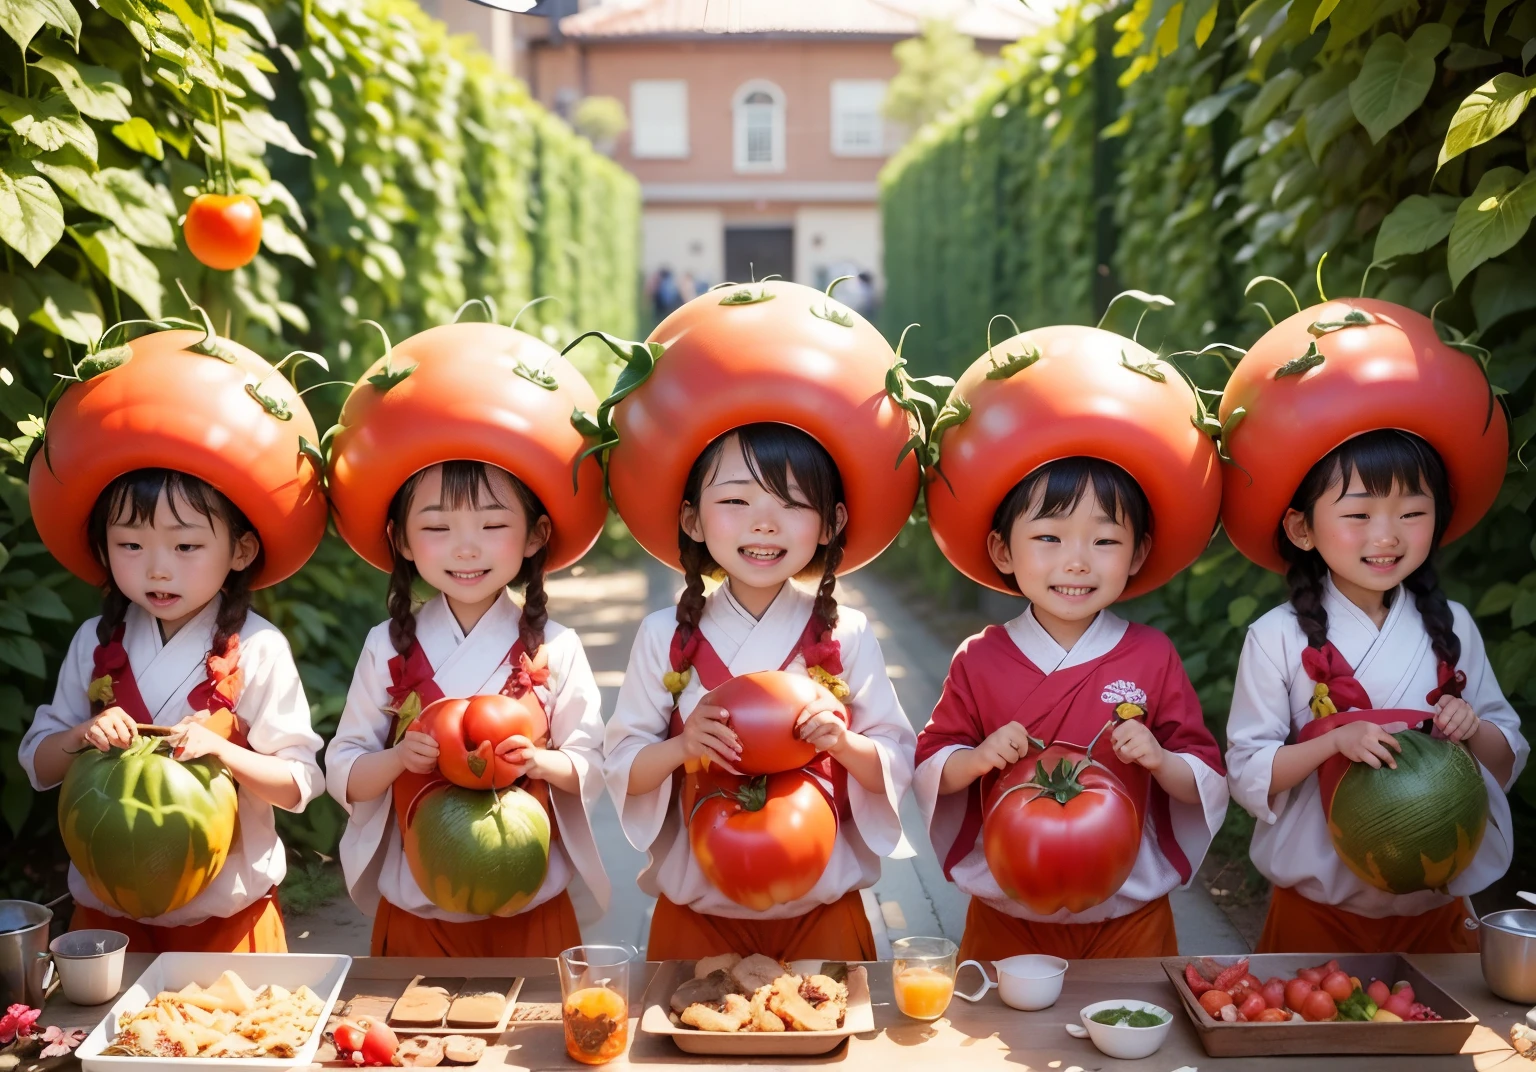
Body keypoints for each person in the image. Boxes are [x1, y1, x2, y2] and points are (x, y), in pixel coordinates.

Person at [587, 280, 921, 961]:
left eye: (794, 504)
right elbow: (621, 762)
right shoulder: (666, 637)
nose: (764, 524)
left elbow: (895, 755)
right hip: (697, 904)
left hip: (821, 901)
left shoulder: (846, 635)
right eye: (735, 500)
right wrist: (682, 748)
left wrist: (843, 741)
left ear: (832, 523)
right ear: (692, 518)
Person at [1221, 298, 1527, 953]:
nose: (1385, 536)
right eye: (1358, 514)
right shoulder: (1275, 637)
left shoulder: (1455, 627)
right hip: (1314, 913)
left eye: (1411, 513)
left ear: (1437, 518)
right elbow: (1249, 769)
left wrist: (1474, 732)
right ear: (1301, 526)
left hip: (1439, 908)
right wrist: (1334, 742)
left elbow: (1506, 757)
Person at [915, 320, 1228, 962]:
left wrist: (1159, 759)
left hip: (1128, 906)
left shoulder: (1151, 655)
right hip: (1009, 901)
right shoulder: (980, 659)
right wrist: (976, 760)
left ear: (1139, 551)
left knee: (1137, 1045)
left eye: (1106, 540)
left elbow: (1203, 771)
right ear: (1003, 549)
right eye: (1049, 539)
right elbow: (930, 763)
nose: (1077, 562)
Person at [20, 325, 329, 953]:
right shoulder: (94, 641)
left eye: (187, 546)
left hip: (228, 919)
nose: (158, 569)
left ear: (240, 549)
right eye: (131, 545)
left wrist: (224, 753)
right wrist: (81, 736)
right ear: (103, 548)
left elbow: (299, 783)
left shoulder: (259, 648)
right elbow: (37, 766)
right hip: (105, 919)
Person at [324, 319, 610, 957]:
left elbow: (594, 764)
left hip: (531, 901)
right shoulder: (388, 646)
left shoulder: (555, 648)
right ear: (400, 539)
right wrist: (399, 760)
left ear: (535, 536)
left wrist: (540, 762)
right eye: (436, 526)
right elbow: (343, 768)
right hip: (418, 905)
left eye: (492, 521)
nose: (466, 547)